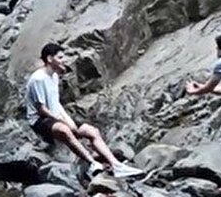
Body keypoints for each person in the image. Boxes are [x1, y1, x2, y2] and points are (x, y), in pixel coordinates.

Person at [25, 43, 143, 178]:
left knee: (91, 131)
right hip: (39, 120)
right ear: (50, 59)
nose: (63, 61)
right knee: (64, 130)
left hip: (54, 115)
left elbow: (55, 103)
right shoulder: (38, 79)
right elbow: (42, 110)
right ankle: (92, 163)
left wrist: (68, 120)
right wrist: (63, 121)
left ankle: (116, 165)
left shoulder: (54, 76)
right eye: (60, 57)